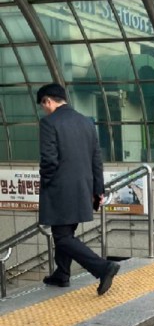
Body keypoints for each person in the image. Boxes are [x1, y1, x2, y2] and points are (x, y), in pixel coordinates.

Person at [37, 83, 120, 295]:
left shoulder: (49, 123)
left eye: (43, 104)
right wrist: (98, 189)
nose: (43, 109)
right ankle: (62, 273)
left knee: (63, 237)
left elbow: (49, 161)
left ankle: (102, 268)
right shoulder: (86, 122)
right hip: (83, 187)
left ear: (48, 100)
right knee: (65, 233)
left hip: (60, 189)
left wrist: (46, 183)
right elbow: (96, 159)